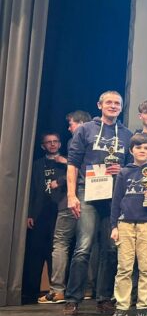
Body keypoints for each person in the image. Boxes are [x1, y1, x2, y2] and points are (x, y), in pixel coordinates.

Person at [63, 91, 133, 316]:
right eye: (109, 102)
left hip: (114, 197)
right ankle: (72, 299)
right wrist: (71, 195)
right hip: (88, 192)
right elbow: (73, 164)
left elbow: (132, 168)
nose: (113, 106)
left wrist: (122, 170)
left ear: (121, 108)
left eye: (117, 103)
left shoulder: (127, 134)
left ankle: (104, 298)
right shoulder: (85, 129)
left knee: (110, 249)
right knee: (83, 247)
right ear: (99, 105)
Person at [109, 133, 147, 316]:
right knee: (124, 268)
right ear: (131, 150)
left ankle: (143, 306)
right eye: (138, 147)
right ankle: (121, 307)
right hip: (125, 224)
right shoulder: (124, 172)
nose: (142, 150)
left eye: (146, 148)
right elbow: (116, 201)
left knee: (146, 267)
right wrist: (114, 226)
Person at [39, 111, 91, 304]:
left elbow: (76, 169)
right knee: (87, 243)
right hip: (90, 198)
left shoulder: (75, 140)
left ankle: (57, 290)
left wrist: (61, 177)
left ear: (81, 123)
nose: (69, 128)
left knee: (61, 242)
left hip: (72, 198)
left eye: (71, 124)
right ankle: (87, 288)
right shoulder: (95, 141)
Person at [23, 133, 67, 304]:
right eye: (49, 142)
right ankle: (30, 293)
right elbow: (32, 190)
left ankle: (56, 291)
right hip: (40, 212)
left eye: (55, 141)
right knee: (36, 251)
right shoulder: (37, 164)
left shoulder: (65, 162)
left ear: (60, 144)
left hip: (60, 210)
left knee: (55, 251)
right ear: (43, 146)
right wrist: (30, 213)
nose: (52, 144)